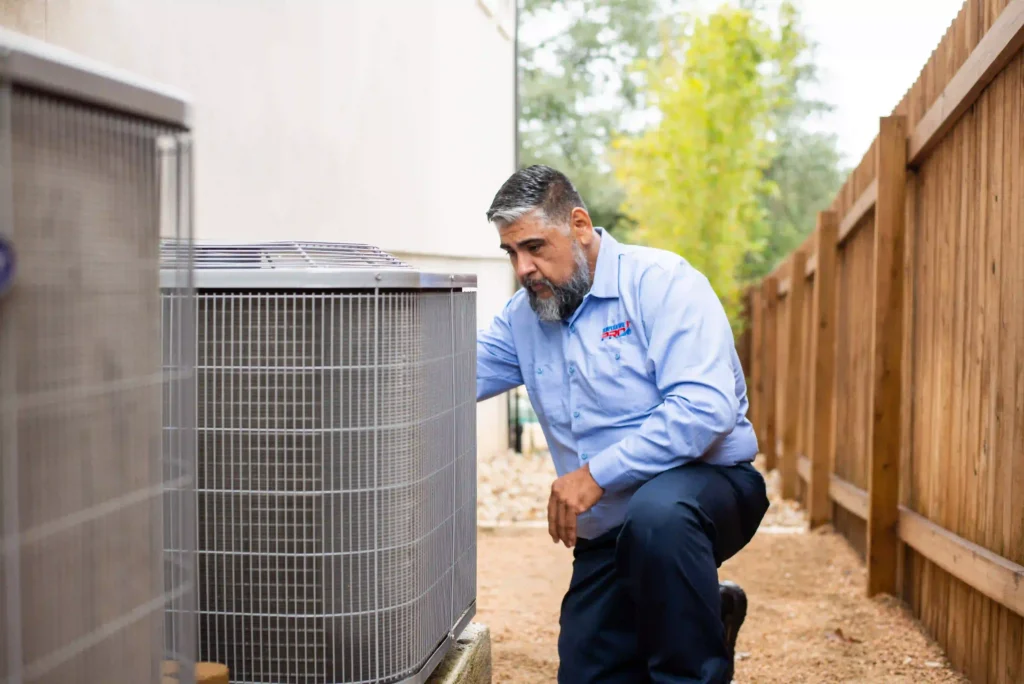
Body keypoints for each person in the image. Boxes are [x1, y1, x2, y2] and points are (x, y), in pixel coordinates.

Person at [475, 165, 770, 683]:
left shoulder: (661, 283)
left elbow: (705, 407)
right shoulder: (524, 318)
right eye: (512, 253)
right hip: (610, 530)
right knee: (591, 672)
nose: (523, 268)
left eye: (535, 247)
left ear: (580, 226)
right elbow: (446, 375)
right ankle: (702, 609)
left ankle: (692, 657)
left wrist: (594, 475)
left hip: (707, 494)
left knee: (659, 518)